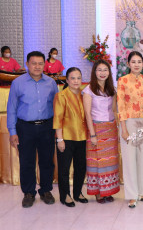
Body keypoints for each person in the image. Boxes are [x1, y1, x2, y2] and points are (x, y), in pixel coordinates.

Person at [7, 51, 58, 208]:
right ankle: (28, 193)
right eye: (34, 63)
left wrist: (57, 128)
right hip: (25, 128)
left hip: (47, 127)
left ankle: (45, 190)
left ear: (45, 65)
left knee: (47, 161)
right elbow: (12, 109)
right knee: (27, 161)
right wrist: (12, 131)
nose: (37, 66)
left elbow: (57, 107)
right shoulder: (18, 83)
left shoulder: (51, 83)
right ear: (27, 64)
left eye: (40, 63)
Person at [117, 51, 143, 208]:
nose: (137, 64)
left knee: (140, 157)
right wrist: (123, 128)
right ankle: (131, 195)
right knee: (129, 159)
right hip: (129, 122)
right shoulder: (122, 81)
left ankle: (140, 191)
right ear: (128, 64)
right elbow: (121, 106)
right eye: (133, 61)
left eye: (139, 61)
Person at [83, 60, 120, 204]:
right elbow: (87, 114)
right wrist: (92, 134)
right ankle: (98, 193)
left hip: (110, 129)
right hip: (96, 128)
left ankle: (108, 191)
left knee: (109, 162)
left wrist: (117, 128)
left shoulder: (112, 89)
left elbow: (114, 110)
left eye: (105, 70)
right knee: (96, 162)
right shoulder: (88, 90)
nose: (102, 73)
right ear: (94, 72)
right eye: (99, 70)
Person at [53, 67, 88, 207]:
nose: (76, 81)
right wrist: (59, 139)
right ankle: (65, 195)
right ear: (67, 80)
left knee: (81, 167)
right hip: (66, 138)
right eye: (72, 78)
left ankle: (78, 192)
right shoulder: (61, 96)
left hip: (82, 137)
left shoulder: (83, 94)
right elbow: (57, 119)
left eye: (78, 78)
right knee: (64, 169)